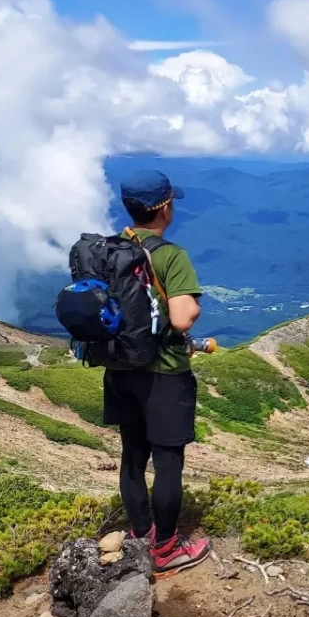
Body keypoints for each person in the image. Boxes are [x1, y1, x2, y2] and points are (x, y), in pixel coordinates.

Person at [102, 170, 211, 575]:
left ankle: (140, 533)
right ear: (164, 207)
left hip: (119, 369)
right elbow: (182, 319)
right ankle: (165, 549)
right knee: (167, 463)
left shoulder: (109, 250)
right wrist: (192, 308)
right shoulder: (169, 255)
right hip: (163, 373)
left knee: (132, 455)